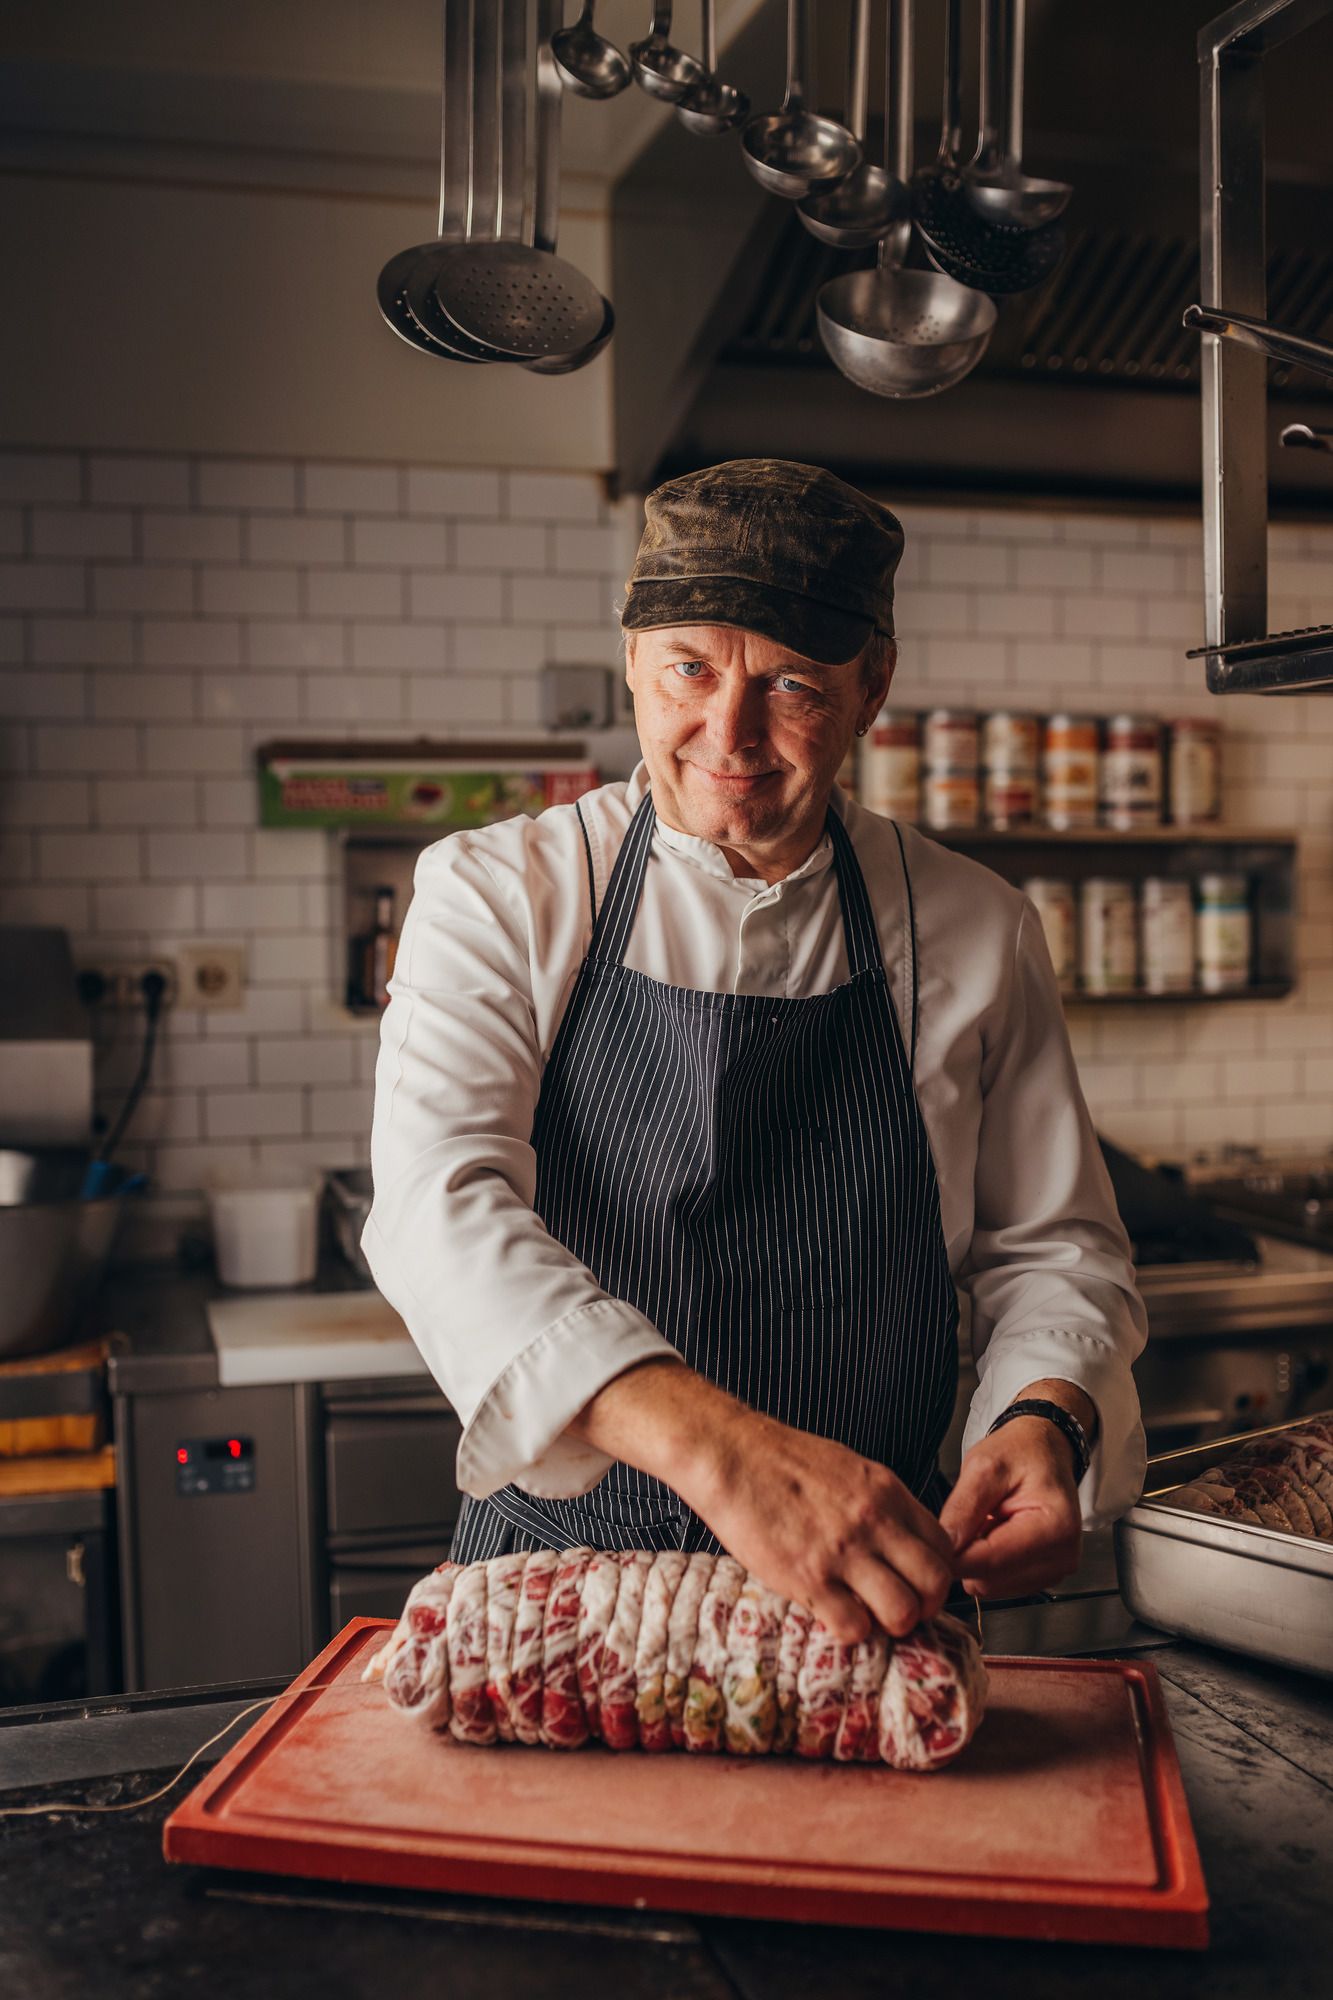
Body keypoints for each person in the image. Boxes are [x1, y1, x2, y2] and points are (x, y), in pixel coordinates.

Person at [363, 457, 1147, 1643]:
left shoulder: (973, 926)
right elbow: (439, 1206)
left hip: (870, 1588)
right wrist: (728, 1457)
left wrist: (1047, 1416)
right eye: (690, 666)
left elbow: (1054, 1247)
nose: (727, 733)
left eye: (789, 684)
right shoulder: (501, 891)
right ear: (632, 657)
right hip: (564, 1589)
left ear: (872, 685)